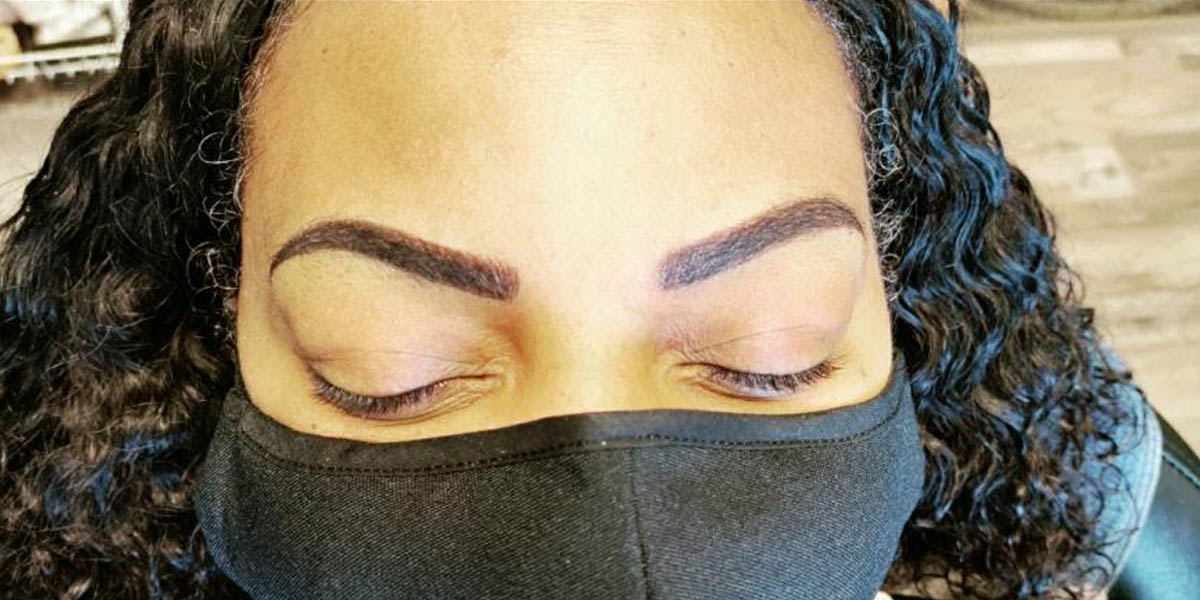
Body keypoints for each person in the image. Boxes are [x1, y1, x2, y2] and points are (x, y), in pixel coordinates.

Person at [0, 1, 1162, 599]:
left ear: (903, 305)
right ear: (206, 317)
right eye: (392, 369)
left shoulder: (1089, 502)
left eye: (772, 351)